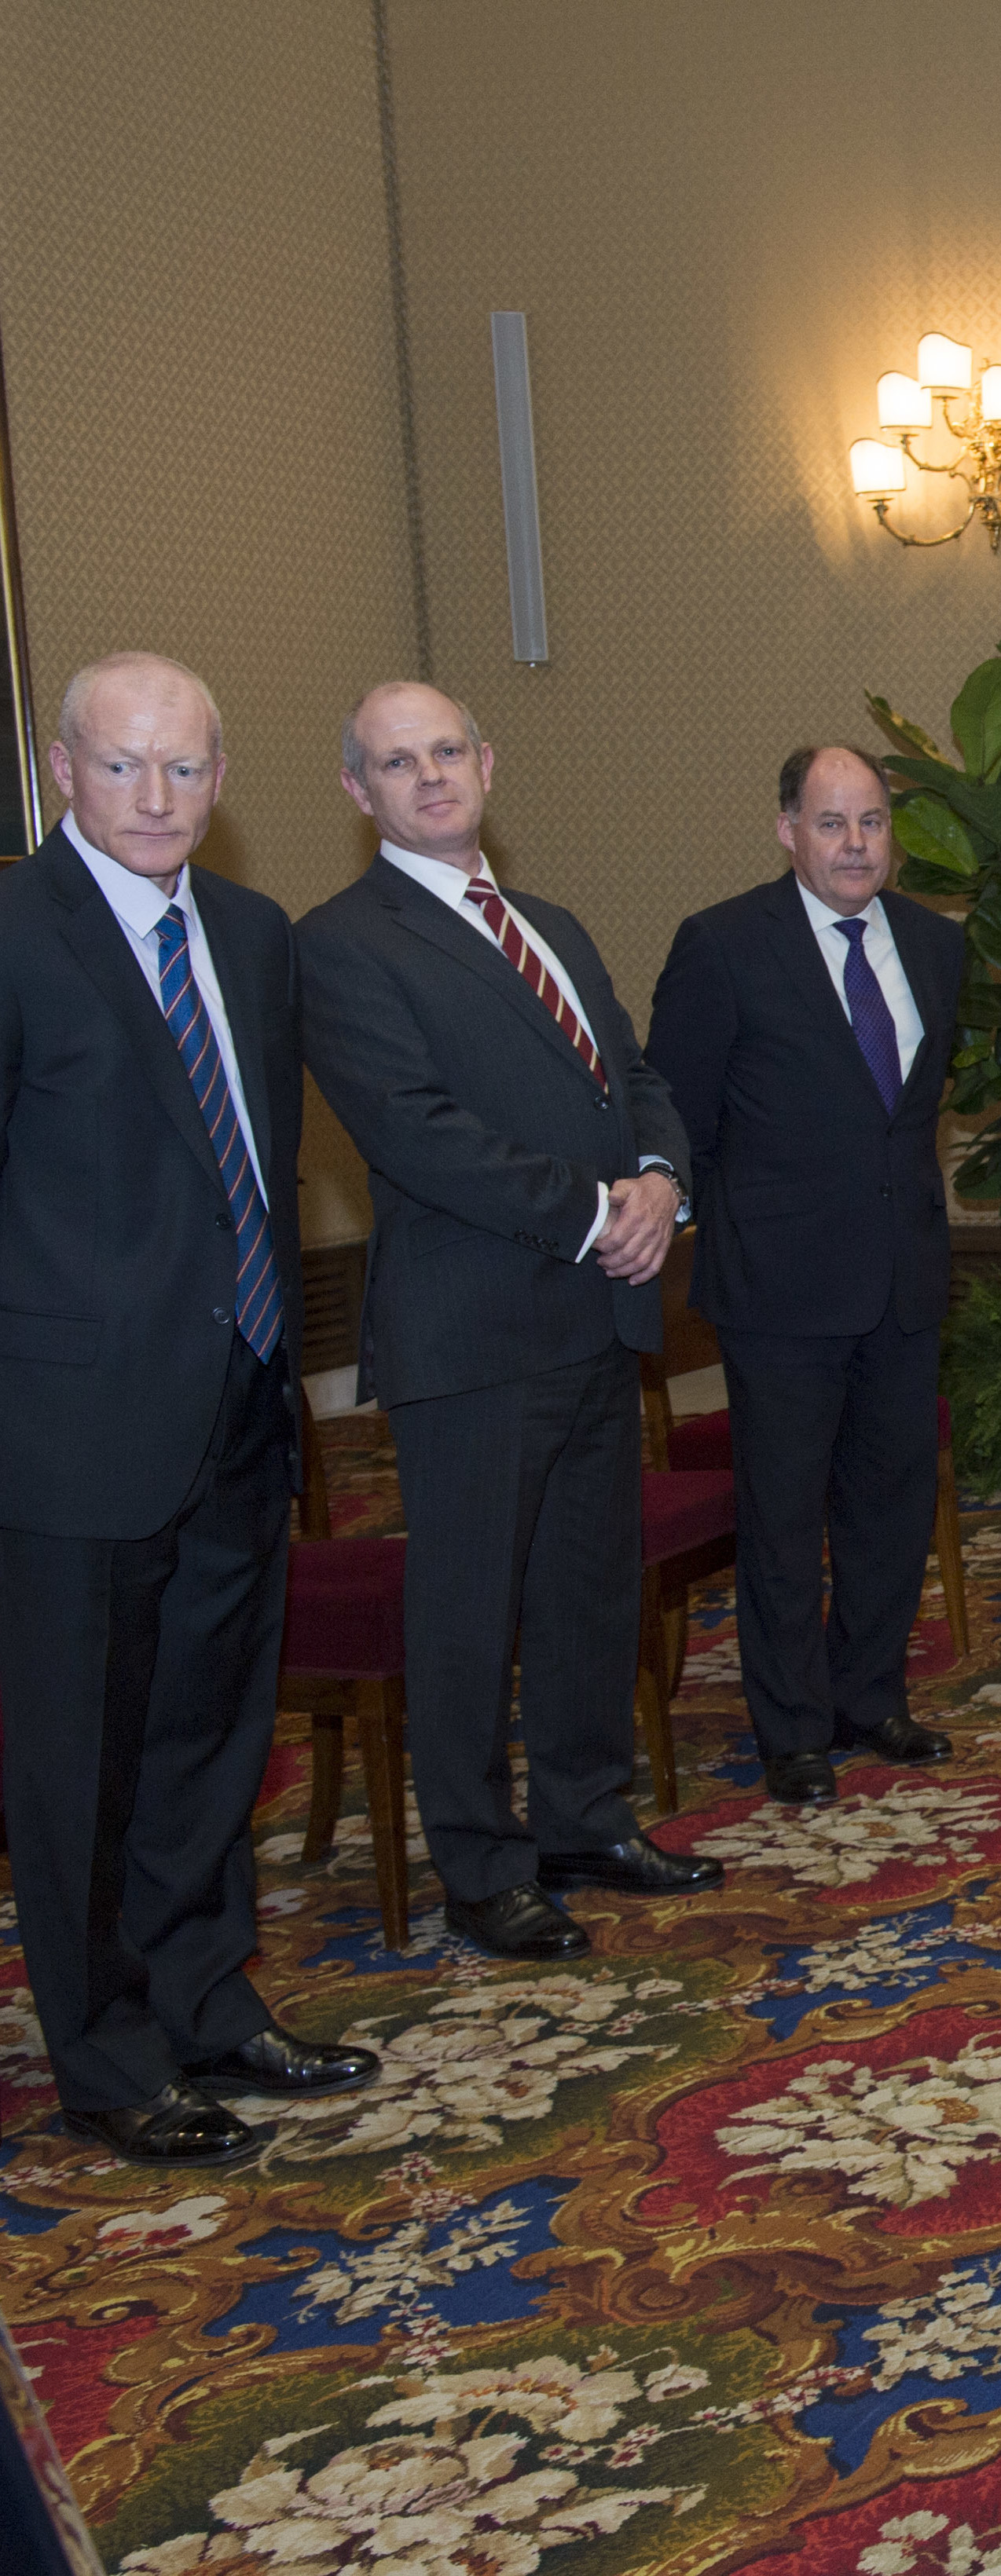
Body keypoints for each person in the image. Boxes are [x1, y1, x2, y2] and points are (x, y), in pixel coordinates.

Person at [0, 654, 376, 2168]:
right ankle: (106, 2058)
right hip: (72, 1432)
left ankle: (214, 2006)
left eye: (184, 770)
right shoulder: (15, 932)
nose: (154, 799)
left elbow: (264, 1166)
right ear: (61, 767)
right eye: (121, 767)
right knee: (81, 1763)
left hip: (239, 1402)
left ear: (221, 781)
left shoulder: (252, 932)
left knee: (215, 1740)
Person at [302, 682, 718, 1960]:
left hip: (599, 1322)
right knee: (472, 1612)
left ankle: (583, 1822)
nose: (429, 778)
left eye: (446, 752)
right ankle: (481, 1869)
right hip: (473, 1338)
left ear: (486, 764)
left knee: (590, 1591)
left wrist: (660, 1184)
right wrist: (601, 1216)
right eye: (395, 762)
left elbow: (637, 1076)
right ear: (356, 793)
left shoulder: (549, 923)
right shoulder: (341, 944)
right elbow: (422, 1136)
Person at [646, 745, 966, 1808]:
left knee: (890, 1502)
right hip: (779, 1290)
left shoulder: (934, 944)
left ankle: (868, 1696)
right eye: (832, 824)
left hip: (903, 1277)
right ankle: (789, 1728)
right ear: (788, 829)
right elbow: (677, 1118)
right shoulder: (724, 946)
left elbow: (906, 1118)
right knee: (784, 1517)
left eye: (871, 822)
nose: (855, 844)